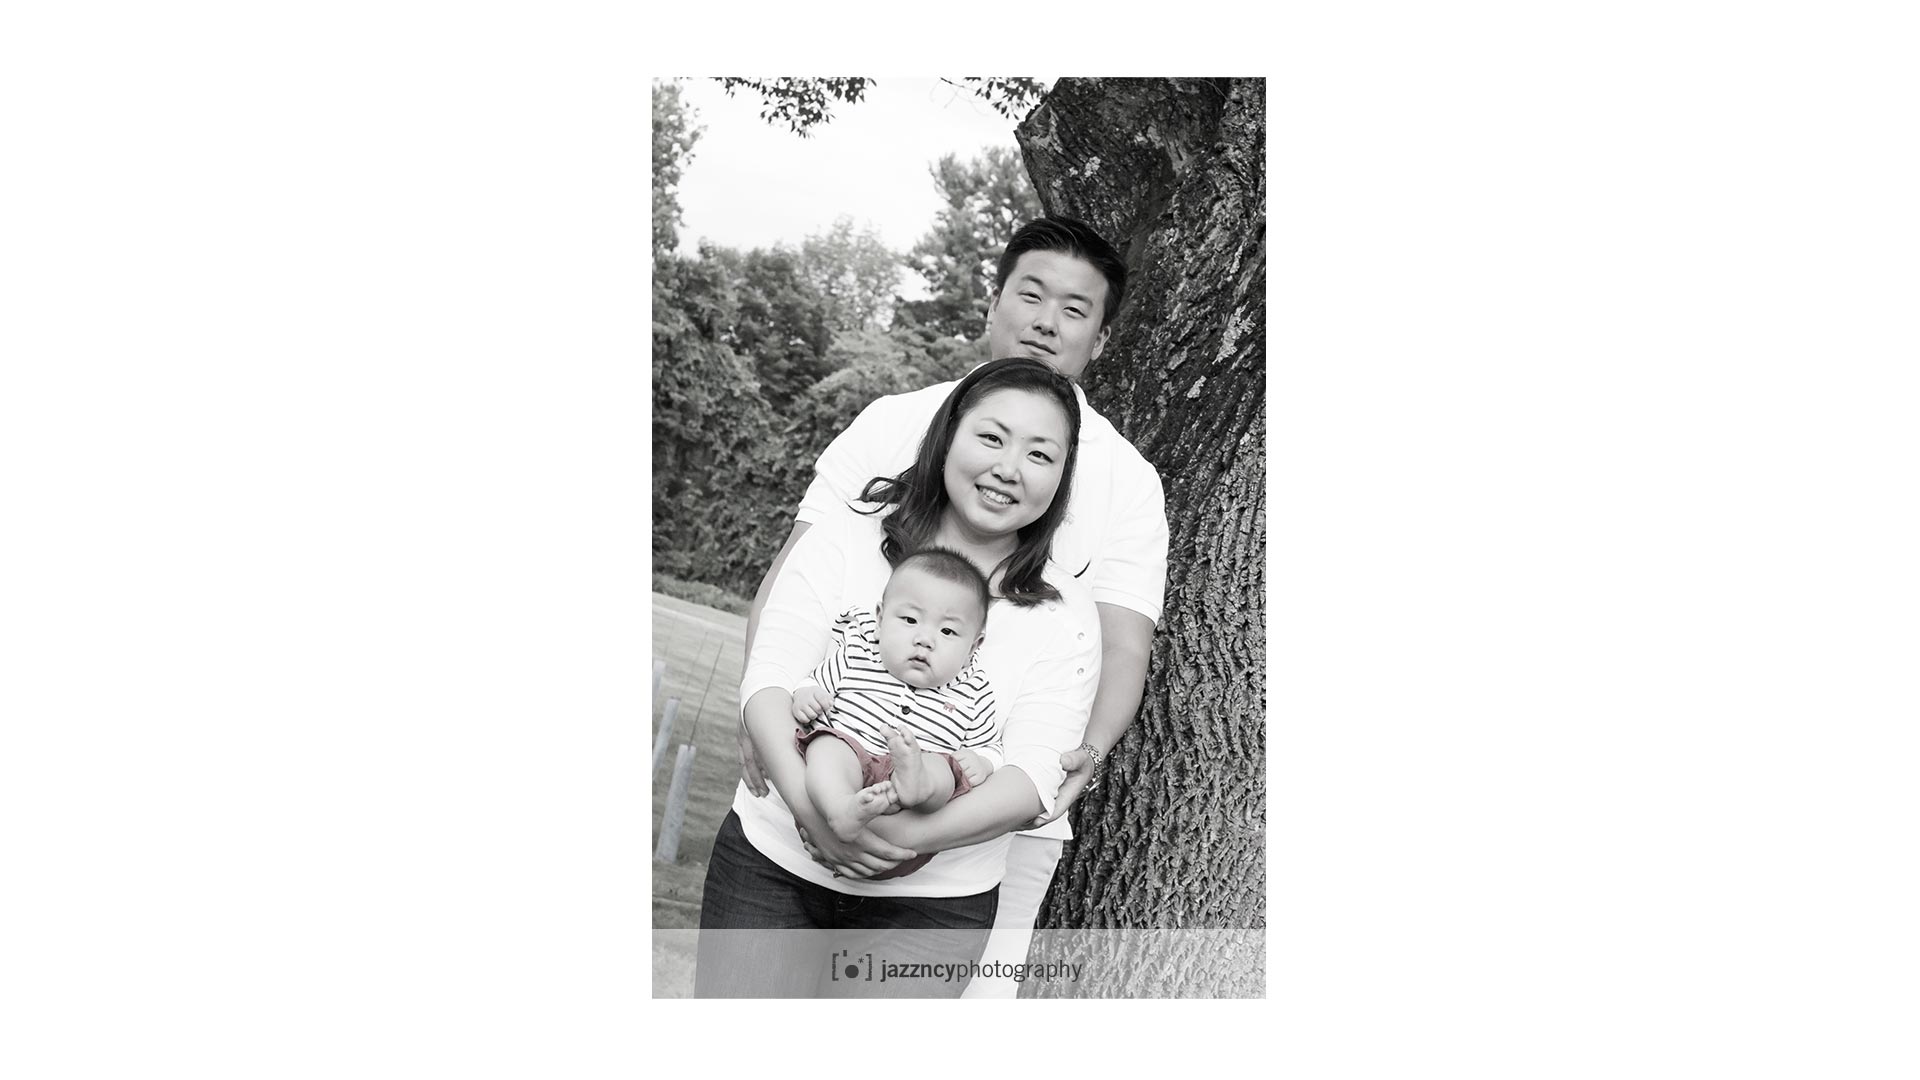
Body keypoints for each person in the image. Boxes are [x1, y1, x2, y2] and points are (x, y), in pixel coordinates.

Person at [740, 216, 1168, 997]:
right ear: (993, 302)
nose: (1046, 322)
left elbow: (1122, 642)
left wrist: (1085, 753)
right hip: (807, 784)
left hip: (986, 826)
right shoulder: (892, 421)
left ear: (1102, 338)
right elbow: (793, 580)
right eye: (1030, 295)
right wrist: (763, 716)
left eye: (1075, 309)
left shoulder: (1125, 482)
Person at [697, 358, 1102, 998]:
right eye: (991, 437)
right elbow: (769, 678)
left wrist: (905, 837)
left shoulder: (1064, 612)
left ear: (1062, 476)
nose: (1009, 468)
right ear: (948, 435)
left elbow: (1032, 777)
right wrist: (814, 811)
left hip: (932, 913)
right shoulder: (848, 536)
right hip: (771, 869)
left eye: (1039, 454)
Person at [793, 549, 1000, 880]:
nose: (924, 640)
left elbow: (990, 746)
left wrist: (984, 761)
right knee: (828, 746)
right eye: (910, 620)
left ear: (974, 647)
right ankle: (841, 808)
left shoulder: (972, 690)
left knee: (944, 769)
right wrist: (806, 694)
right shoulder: (858, 654)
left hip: (913, 824)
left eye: (948, 632)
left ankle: (916, 782)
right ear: (879, 619)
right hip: (851, 764)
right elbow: (814, 683)